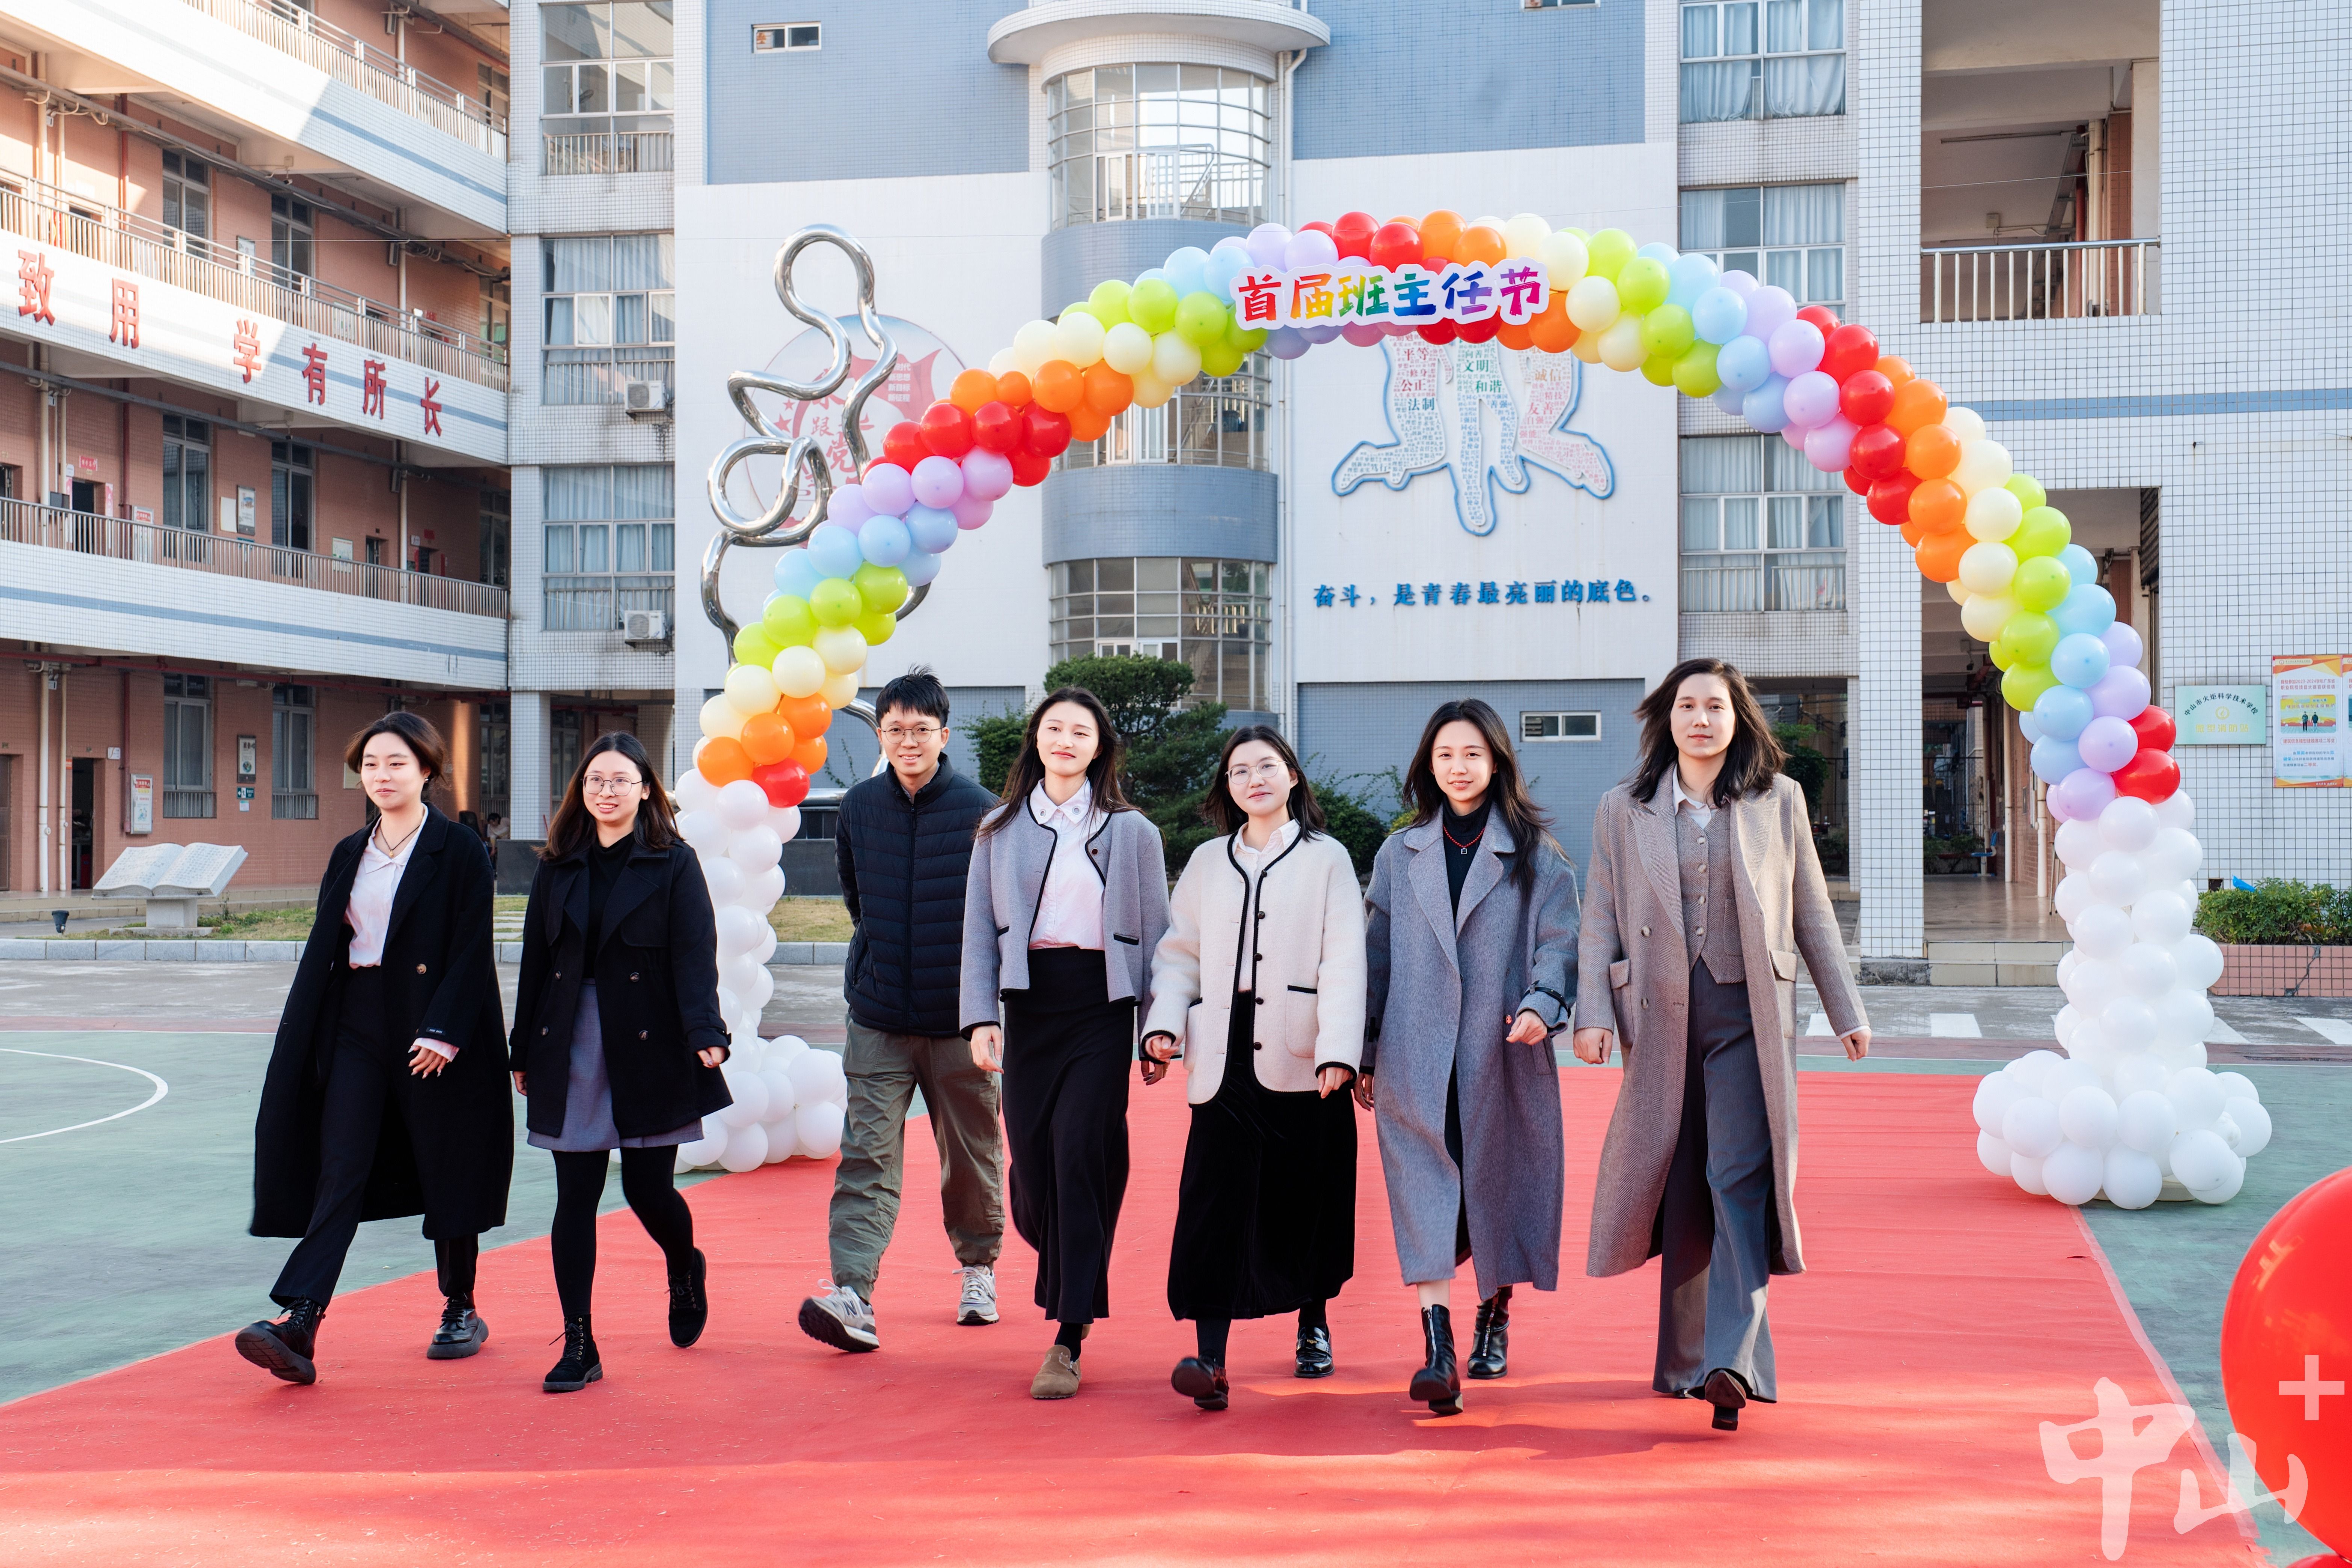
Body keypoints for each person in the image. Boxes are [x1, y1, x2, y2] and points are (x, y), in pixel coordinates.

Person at [1573, 658, 1870, 1433]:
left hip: (1747, 1013)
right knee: (1679, 1181)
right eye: (1686, 706)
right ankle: (1683, 1360)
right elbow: (1599, 913)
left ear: (1738, 718)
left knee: (1736, 1172)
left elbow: (1810, 908)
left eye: (1715, 706)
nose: (1700, 719)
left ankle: (1731, 1361)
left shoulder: (1779, 799)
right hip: (1656, 1014)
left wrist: (1844, 1008)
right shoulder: (1622, 807)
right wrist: (1592, 1011)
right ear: (1666, 719)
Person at [242, 712, 511, 1385]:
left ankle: (460, 1306)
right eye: (369, 765)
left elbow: (472, 947)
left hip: (431, 1022)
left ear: (427, 770)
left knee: (445, 1160)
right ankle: (302, 1317)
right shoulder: (349, 852)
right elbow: (330, 946)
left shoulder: (459, 849)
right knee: (341, 1162)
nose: (381, 776)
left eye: (396, 763)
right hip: (358, 1020)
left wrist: (446, 1030)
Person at [1361, 697, 1578, 1416]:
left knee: (1496, 1184)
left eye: (1473, 754)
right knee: (1426, 1194)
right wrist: (1365, 1049)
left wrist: (1542, 1004)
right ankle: (1438, 1350)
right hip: (1414, 1056)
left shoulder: (1537, 856)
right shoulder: (1399, 854)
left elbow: (1559, 948)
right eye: (1446, 755)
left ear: (1498, 762)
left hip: (1500, 1050)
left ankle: (1495, 1311)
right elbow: (1375, 957)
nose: (1459, 767)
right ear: (1429, 764)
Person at [1143, 726, 1364, 1411]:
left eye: (1267, 766)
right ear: (1227, 787)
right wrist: (1163, 1022)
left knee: (1308, 1195)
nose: (1254, 779)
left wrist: (1339, 1049)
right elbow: (1179, 953)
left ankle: (1313, 1323)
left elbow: (1344, 957)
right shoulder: (1208, 861)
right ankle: (1210, 1358)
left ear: (1292, 776)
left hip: (1305, 1051)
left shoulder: (1328, 858)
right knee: (1213, 1201)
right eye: (1239, 770)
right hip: (1222, 1052)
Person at [508, 732, 733, 1394]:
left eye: (620, 780)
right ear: (581, 790)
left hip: (649, 1035)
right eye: (595, 780)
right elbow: (535, 960)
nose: (606, 791)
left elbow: (695, 951)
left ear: (645, 789)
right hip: (570, 1036)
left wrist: (705, 1029)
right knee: (574, 1195)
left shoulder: (673, 861)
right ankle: (579, 1341)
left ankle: (684, 1265)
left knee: (646, 1189)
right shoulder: (558, 863)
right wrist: (523, 1047)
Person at [961, 687, 1169, 1401]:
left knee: (1079, 1149)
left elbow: (1159, 936)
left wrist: (1158, 1026)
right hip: (1030, 1004)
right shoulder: (998, 829)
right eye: (1055, 728)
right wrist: (979, 1016)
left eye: (1081, 731)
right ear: (1037, 740)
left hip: (1102, 1005)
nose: (1066, 740)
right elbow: (976, 929)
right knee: (1032, 1171)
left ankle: (1069, 1333)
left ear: (1099, 746)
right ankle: (1074, 1247)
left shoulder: (1133, 832)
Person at [799, 668, 1005, 1353]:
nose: (908, 741)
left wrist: (985, 1010)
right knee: (866, 1156)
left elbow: (997, 918)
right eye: (895, 730)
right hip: (879, 1015)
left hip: (960, 1021)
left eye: (921, 729)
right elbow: (857, 897)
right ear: (880, 735)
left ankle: (978, 1269)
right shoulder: (859, 806)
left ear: (945, 734)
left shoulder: (983, 811)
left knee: (971, 1154)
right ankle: (853, 1293)